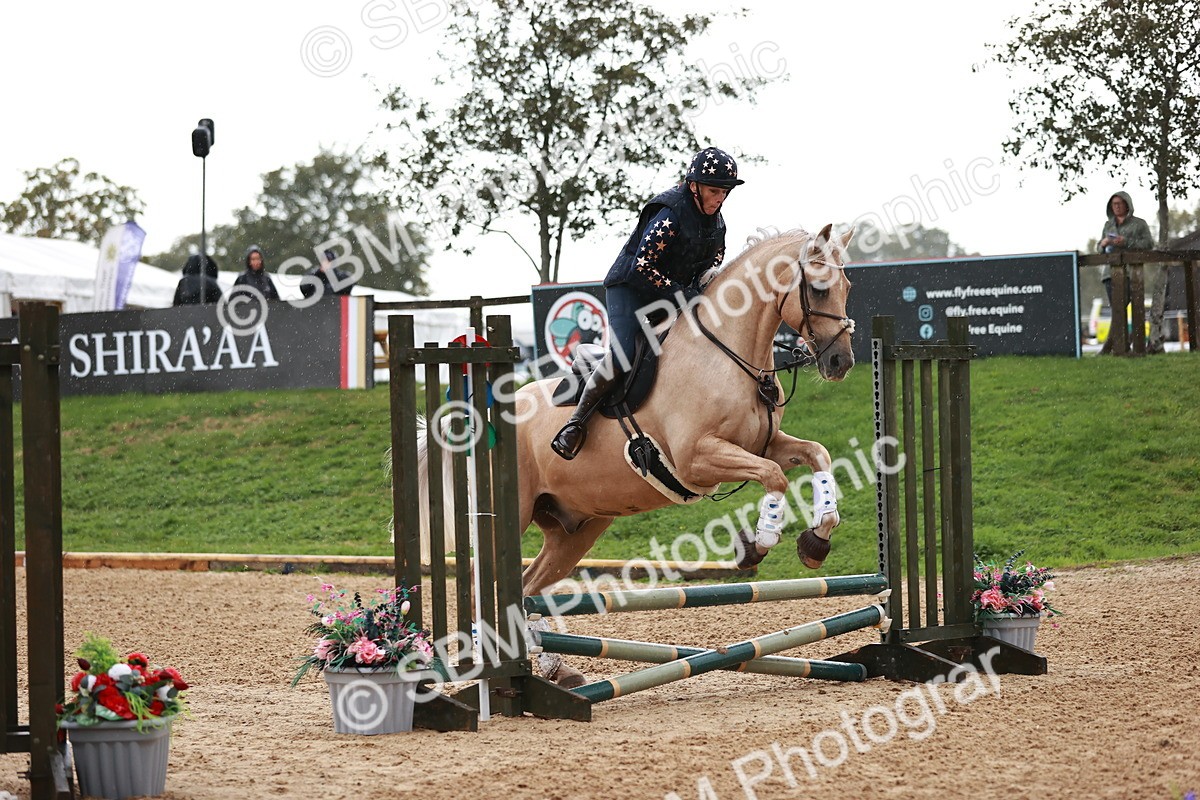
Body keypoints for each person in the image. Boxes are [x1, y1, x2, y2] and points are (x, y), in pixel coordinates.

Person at [550, 146, 744, 461]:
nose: (719, 199)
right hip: (630, 290)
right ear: (694, 186)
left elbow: (714, 264)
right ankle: (575, 424)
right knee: (625, 355)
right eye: (714, 191)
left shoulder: (717, 224)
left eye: (724, 192)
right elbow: (642, 267)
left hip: (669, 295)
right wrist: (683, 294)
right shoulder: (670, 214)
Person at [1098, 190, 1154, 305]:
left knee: (1133, 307)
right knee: (1116, 309)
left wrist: (1126, 242)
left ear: (1127, 204)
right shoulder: (1108, 225)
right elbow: (1099, 249)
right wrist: (1103, 244)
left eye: (1119, 203)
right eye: (1114, 204)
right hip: (1109, 274)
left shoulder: (1139, 224)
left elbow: (1149, 244)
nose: (1117, 206)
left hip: (1132, 272)